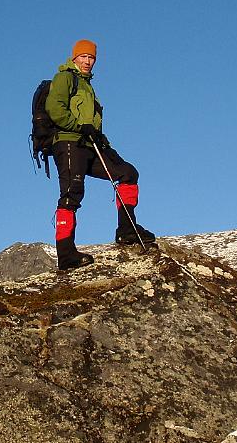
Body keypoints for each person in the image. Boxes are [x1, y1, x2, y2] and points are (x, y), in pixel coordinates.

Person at [46, 39, 156, 270]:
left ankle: (127, 230)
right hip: (69, 143)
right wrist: (79, 126)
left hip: (88, 143)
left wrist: (98, 137)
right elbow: (55, 109)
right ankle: (66, 254)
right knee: (71, 193)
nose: (87, 61)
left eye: (91, 58)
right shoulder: (65, 78)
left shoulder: (86, 85)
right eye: (83, 57)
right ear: (74, 57)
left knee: (127, 173)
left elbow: (88, 119)